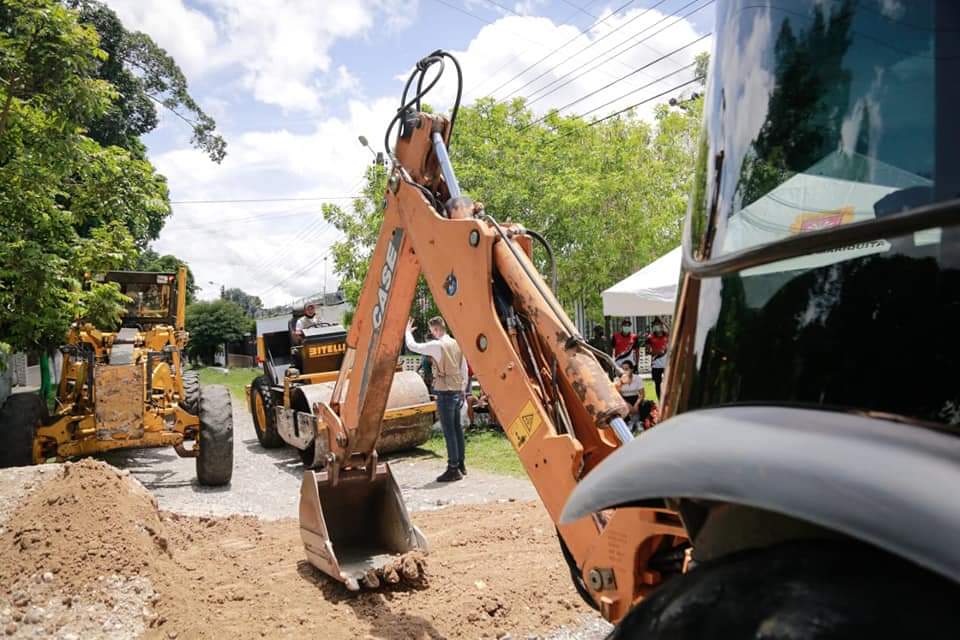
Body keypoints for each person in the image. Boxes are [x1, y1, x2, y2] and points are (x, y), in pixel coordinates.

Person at [405, 316, 469, 482]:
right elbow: (464, 368)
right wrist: (462, 389)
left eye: (432, 331)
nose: (432, 333)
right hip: (456, 390)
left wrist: (407, 332)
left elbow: (412, 346)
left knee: (449, 432)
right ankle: (461, 465)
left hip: (445, 392)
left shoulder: (437, 345)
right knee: (457, 429)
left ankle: (453, 468)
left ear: (435, 330)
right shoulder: (456, 343)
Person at [645, 317, 669, 400]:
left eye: (658, 324)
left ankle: (668, 399)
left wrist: (664, 322)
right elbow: (647, 352)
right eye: (655, 325)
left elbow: (674, 332)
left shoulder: (667, 335)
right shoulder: (650, 337)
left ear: (662, 326)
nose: (657, 326)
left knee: (669, 383)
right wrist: (657, 352)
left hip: (667, 364)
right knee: (657, 383)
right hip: (656, 365)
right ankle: (659, 400)